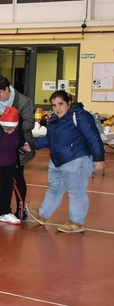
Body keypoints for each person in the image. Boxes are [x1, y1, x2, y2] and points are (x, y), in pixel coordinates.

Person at [26, 91, 105, 233]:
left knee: (76, 191)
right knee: (54, 188)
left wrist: (99, 157)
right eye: (54, 105)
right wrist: (33, 144)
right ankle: (42, 214)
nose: (57, 108)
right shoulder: (54, 119)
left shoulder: (80, 116)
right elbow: (50, 139)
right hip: (58, 161)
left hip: (77, 159)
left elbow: (93, 136)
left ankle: (76, 222)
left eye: (60, 104)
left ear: (69, 103)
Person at [0, 75, 34, 219]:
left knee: (17, 178)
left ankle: (20, 210)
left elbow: (29, 123)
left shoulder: (23, 101)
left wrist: (12, 126)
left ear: (7, 89)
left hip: (16, 147)